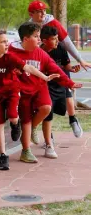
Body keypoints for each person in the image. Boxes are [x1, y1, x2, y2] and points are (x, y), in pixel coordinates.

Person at [0, 30, 60, 170]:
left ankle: (15, 124)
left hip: (12, 92)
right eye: (3, 42)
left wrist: (44, 77)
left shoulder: (10, 57)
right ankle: (3, 156)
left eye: (7, 41)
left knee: (12, 116)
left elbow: (27, 67)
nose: (7, 44)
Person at [9, 22, 82, 163]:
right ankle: (25, 151)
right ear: (25, 39)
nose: (38, 40)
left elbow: (56, 69)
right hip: (23, 91)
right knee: (26, 120)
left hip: (40, 87)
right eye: (36, 37)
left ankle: (33, 127)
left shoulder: (40, 53)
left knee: (46, 108)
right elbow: (3, 66)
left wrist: (70, 83)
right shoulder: (12, 52)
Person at [40, 25, 83, 158]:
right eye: (54, 39)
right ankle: (49, 142)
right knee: (48, 111)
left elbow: (66, 65)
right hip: (46, 85)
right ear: (44, 40)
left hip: (61, 82)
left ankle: (73, 120)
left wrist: (72, 69)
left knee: (66, 101)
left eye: (57, 38)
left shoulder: (61, 49)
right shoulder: (39, 52)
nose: (57, 41)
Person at [28, 0, 90, 70]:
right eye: (39, 11)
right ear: (31, 14)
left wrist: (80, 59)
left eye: (44, 10)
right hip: (40, 62)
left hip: (56, 59)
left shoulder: (53, 23)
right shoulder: (28, 27)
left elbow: (67, 42)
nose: (43, 13)